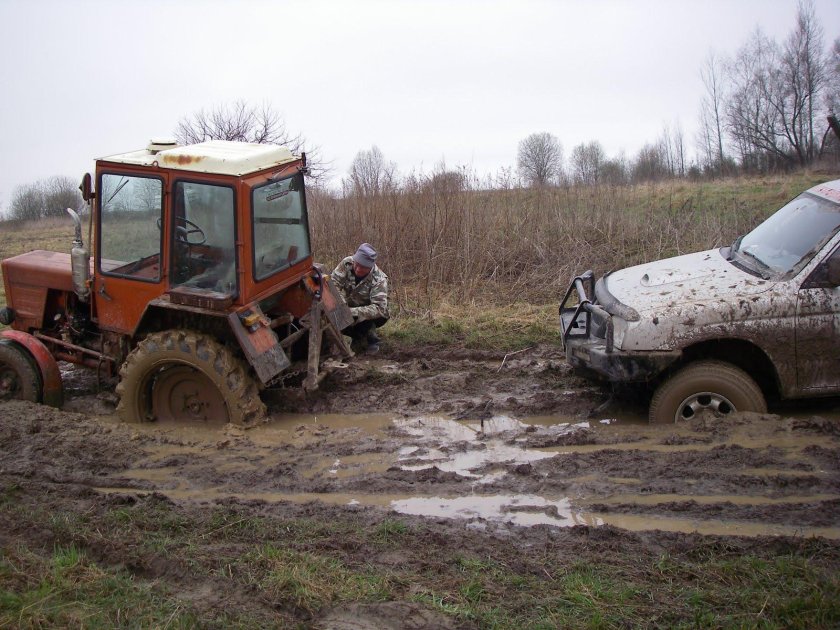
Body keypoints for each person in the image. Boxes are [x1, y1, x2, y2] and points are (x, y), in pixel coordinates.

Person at [331, 243, 389, 353]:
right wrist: (341, 305)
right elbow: (333, 284)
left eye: (363, 267)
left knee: (367, 322)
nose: (358, 269)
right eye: (357, 264)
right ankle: (355, 335)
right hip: (349, 304)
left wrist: (350, 312)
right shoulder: (347, 263)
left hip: (369, 311)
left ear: (370, 267)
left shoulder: (379, 279)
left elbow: (379, 308)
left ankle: (371, 338)